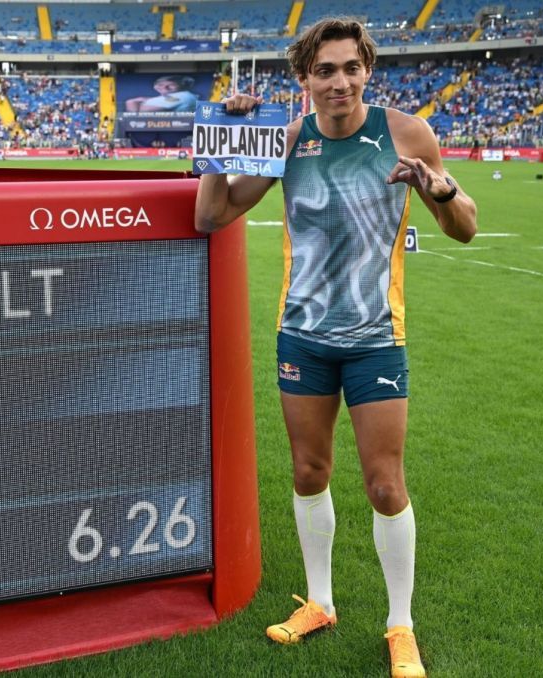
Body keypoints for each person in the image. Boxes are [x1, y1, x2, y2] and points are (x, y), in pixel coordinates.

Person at [194, 17, 477, 678]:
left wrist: (439, 191)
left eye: (351, 67)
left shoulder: (406, 133)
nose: (340, 81)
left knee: (384, 485)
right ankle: (320, 602)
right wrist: (223, 134)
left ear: (366, 71)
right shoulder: (288, 138)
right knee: (308, 473)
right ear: (305, 79)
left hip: (377, 338)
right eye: (326, 70)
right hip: (304, 337)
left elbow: (464, 227)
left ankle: (399, 624)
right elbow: (211, 215)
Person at [124, 75, 199, 113]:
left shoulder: (182, 95)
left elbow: (142, 110)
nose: (164, 87)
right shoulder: (186, 95)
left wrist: (135, 101)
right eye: (160, 85)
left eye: (170, 85)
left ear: (181, 86)